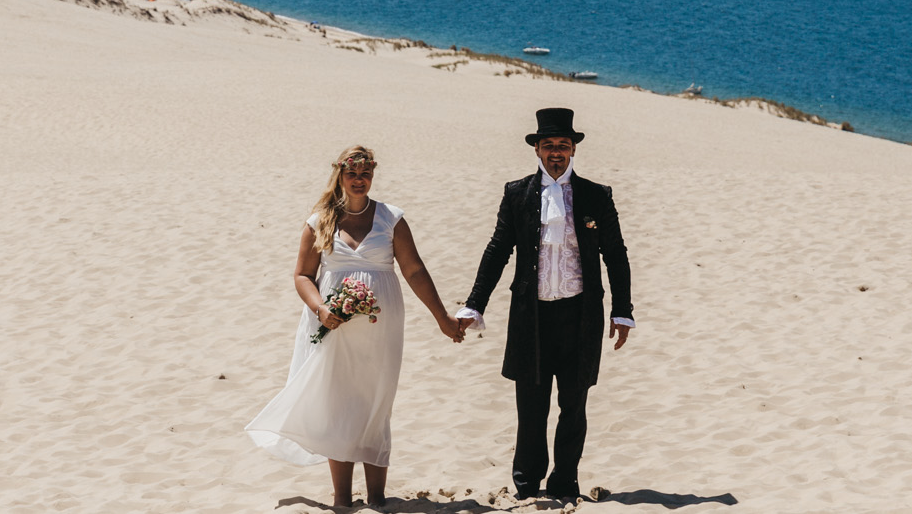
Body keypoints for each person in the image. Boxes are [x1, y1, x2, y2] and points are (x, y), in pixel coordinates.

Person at [247, 145, 467, 509]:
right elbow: (303, 275)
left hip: (383, 326)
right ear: (340, 174)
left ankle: (378, 498)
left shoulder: (391, 218)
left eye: (366, 172)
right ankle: (343, 498)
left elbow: (414, 271)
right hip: (334, 325)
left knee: (377, 402)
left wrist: (442, 317)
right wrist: (320, 309)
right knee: (340, 404)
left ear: (373, 175)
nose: (359, 179)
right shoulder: (320, 220)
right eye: (353, 172)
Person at [456, 108, 634, 505]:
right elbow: (498, 249)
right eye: (549, 145)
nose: (557, 153)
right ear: (537, 149)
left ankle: (564, 482)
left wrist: (623, 310)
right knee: (531, 406)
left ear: (573, 150)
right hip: (531, 317)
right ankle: (526, 483)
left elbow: (616, 255)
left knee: (574, 404)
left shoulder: (596, 195)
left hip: (581, 316)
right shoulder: (516, 193)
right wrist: (474, 305)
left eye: (563, 146)